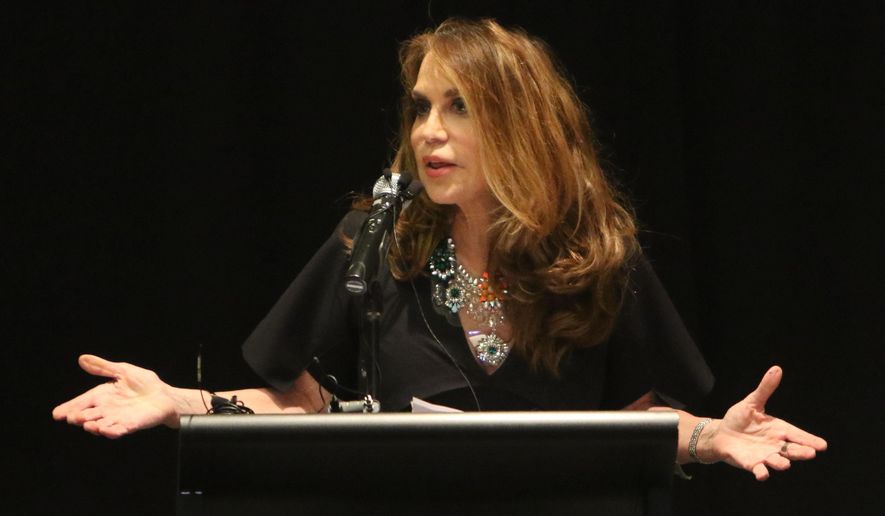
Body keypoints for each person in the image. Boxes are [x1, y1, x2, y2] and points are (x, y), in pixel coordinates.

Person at [53, 18, 826, 481]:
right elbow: (304, 404)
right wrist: (175, 405)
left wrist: (710, 437)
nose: (428, 130)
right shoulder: (374, 242)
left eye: (458, 107)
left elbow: (642, 416)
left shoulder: (597, 254)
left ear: (518, 123)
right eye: (421, 106)